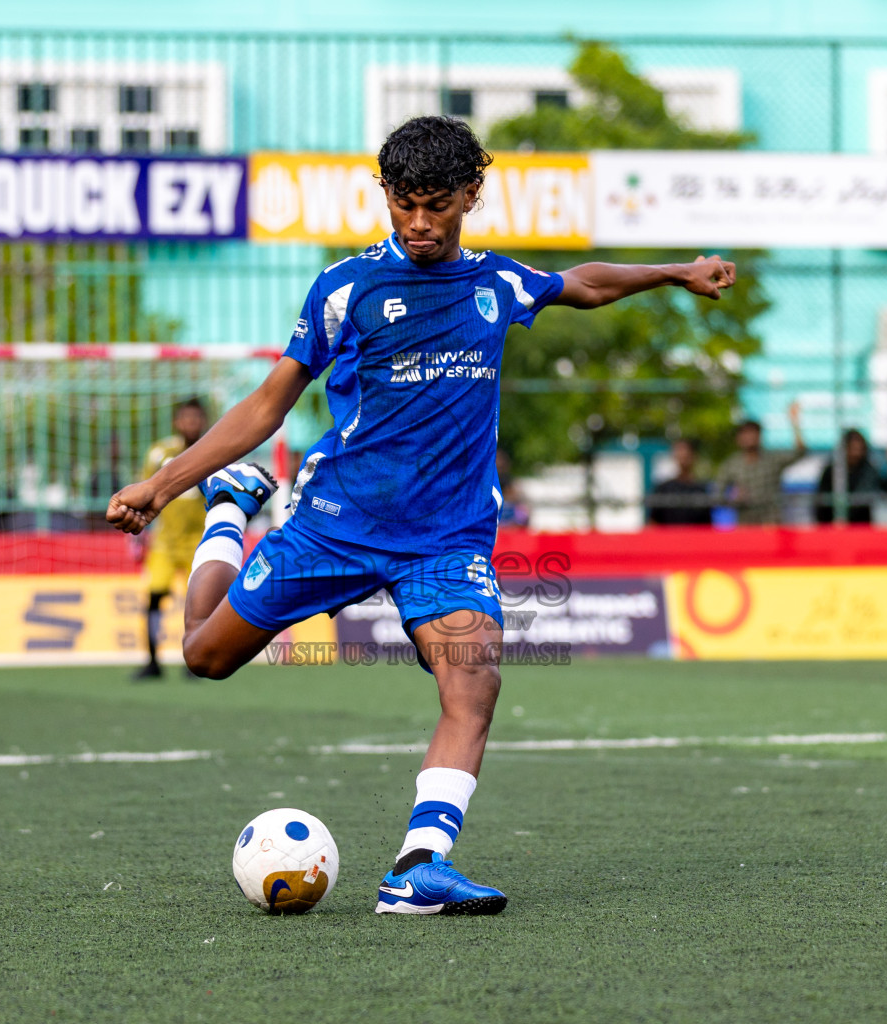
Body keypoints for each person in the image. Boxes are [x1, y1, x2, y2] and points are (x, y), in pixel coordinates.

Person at [107, 116, 736, 916]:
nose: (418, 222)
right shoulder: (347, 289)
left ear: (471, 194)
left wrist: (676, 272)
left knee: (473, 679)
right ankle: (230, 511)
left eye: (436, 203)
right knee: (205, 656)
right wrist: (166, 485)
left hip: (445, 538)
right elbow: (271, 401)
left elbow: (584, 284)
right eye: (403, 203)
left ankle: (419, 865)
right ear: (386, 196)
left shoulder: (497, 284)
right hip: (336, 523)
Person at [133, 398, 209, 680]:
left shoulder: (214, 451)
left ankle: (195, 662)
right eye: (185, 418)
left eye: (196, 418)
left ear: (202, 422)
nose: (190, 423)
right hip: (164, 542)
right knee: (154, 598)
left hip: (199, 543)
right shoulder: (160, 453)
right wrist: (137, 537)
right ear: (177, 422)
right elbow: (142, 491)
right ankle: (152, 662)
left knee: (199, 604)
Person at [712, 402, 805, 526]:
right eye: (744, 433)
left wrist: (794, 422)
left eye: (753, 432)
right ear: (738, 439)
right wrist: (733, 500)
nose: (749, 437)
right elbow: (717, 496)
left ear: (760, 435)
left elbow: (800, 452)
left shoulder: (772, 459)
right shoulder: (731, 465)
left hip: (771, 523)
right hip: (746, 525)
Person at [813, 428, 887, 525]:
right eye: (853, 449)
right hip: (832, 527)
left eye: (859, 450)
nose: (856, 454)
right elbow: (822, 501)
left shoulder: (869, 471)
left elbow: (878, 491)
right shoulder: (832, 471)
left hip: (861, 526)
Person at [645, 438, 712, 526]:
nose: (683, 457)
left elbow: (707, 524)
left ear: (694, 456)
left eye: (686, 454)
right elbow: (653, 522)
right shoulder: (663, 489)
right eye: (679, 453)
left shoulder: (701, 489)